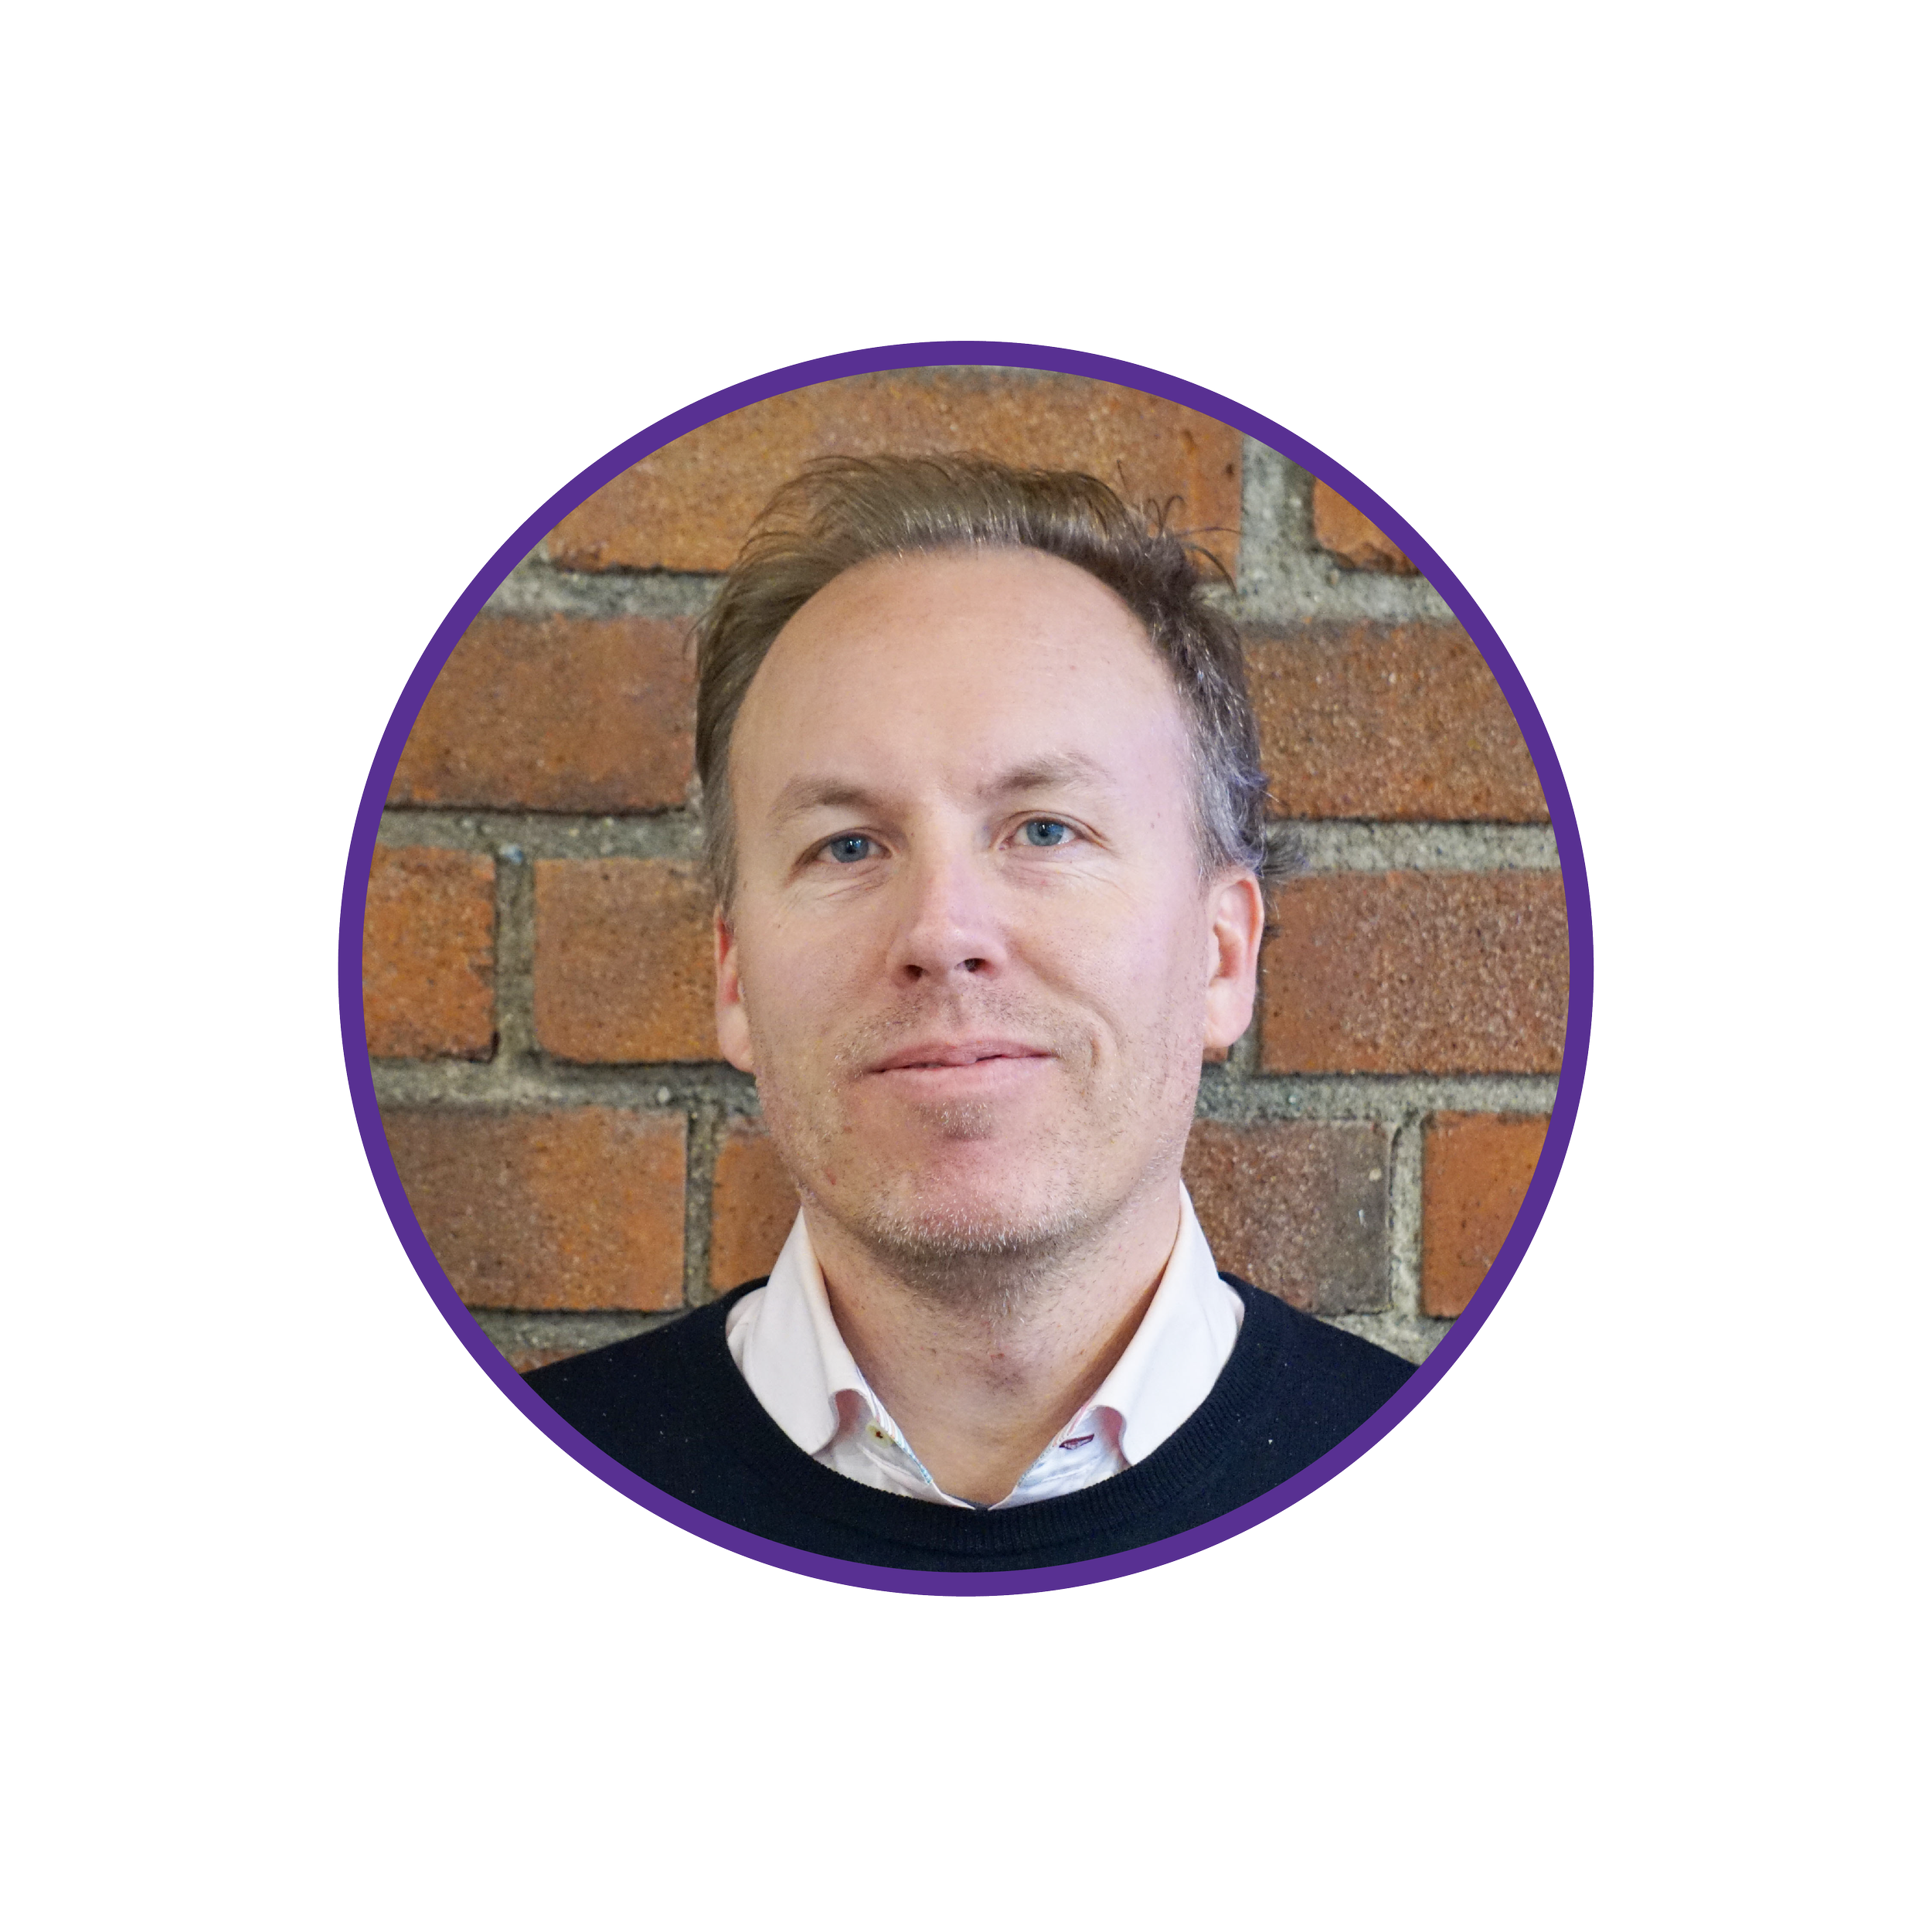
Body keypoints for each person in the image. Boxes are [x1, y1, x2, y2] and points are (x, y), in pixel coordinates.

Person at [528, 454, 1413, 1569]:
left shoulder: (1457, 1505)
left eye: (1045, 830)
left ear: (1223, 956)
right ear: (736, 977)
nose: (943, 932)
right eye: (847, 845)